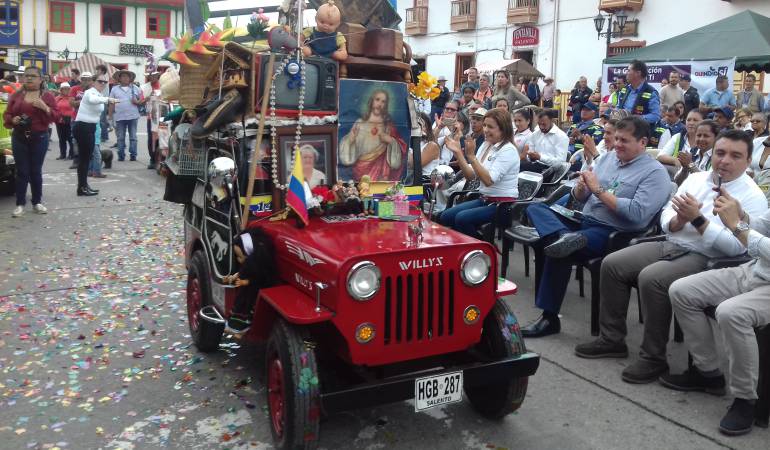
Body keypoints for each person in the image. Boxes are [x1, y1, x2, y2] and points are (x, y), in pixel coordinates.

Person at [575, 130, 767, 385]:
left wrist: (698, 220)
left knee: (652, 278)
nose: (725, 161)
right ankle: (612, 339)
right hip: (672, 241)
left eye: (735, 156)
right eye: (720, 153)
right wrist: (678, 220)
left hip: (707, 256)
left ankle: (653, 356)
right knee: (613, 264)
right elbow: (667, 213)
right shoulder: (697, 179)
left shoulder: (752, 196)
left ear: (747, 160)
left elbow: (735, 248)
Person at [518, 116, 671, 337]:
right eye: (616, 138)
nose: (616, 144)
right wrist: (581, 189)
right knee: (536, 208)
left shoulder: (655, 173)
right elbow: (582, 197)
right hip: (584, 220)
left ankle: (549, 318)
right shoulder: (608, 159)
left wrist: (598, 190)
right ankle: (562, 238)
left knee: (561, 250)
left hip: (613, 233)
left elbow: (638, 214)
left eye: (624, 141)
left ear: (643, 142)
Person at [663, 191, 770, 436]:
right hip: (755, 270)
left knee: (731, 313)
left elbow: (746, 235)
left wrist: (736, 224)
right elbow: (763, 226)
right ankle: (708, 372)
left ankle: (745, 399)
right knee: (682, 290)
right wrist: (741, 214)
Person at [439, 108, 519, 236]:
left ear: (503, 129)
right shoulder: (487, 144)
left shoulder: (508, 150)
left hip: (503, 205)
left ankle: (483, 248)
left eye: (491, 127)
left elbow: (488, 180)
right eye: (485, 125)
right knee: (446, 216)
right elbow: (471, 176)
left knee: (462, 218)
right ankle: (469, 245)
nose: (486, 129)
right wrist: (459, 153)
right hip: (485, 199)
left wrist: (471, 156)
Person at [4, 66, 59, 217]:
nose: (29, 78)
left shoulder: (47, 96)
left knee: (35, 171)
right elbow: (7, 114)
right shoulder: (16, 95)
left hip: (39, 137)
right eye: (26, 75)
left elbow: (55, 116)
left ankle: (37, 202)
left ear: (40, 79)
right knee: (22, 171)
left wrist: (45, 108)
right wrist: (12, 119)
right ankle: (20, 204)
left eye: (33, 76)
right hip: (19, 137)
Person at [339, 88, 407, 181]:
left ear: (386, 105)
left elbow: (402, 148)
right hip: (360, 171)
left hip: (381, 174)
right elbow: (347, 152)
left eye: (383, 101)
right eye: (377, 99)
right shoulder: (359, 123)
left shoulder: (388, 126)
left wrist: (391, 141)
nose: (379, 104)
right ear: (371, 101)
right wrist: (350, 139)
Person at [74, 74, 117, 196]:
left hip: (90, 127)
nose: (103, 84)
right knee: (84, 160)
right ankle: (81, 188)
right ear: (93, 82)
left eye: (105, 82)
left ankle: (83, 186)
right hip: (83, 126)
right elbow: (93, 100)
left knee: (86, 159)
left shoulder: (99, 94)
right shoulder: (90, 92)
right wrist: (108, 99)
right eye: (100, 81)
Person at [657, 109, 705, 178]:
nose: (691, 123)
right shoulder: (678, 137)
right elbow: (660, 156)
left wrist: (689, 164)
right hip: (677, 176)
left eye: (695, 120)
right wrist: (675, 160)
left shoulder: (705, 142)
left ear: (703, 122)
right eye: (688, 120)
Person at [108, 69, 142, 162]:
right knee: (120, 138)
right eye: (123, 76)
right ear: (119, 78)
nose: (125, 78)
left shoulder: (135, 88)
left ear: (130, 78)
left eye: (127, 76)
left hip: (133, 116)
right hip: (119, 117)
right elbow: (111, 103)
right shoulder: (115, 89)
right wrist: (110, 115)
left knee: (133, 137)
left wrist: (137, 102)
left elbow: (141, 101)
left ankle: (133, 155)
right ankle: (121, 155)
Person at [614, 60, 661, 125]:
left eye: (629, 70)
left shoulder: (651, 92)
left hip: (640, 131)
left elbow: (656, 116)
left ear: (638, 73)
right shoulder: (624, 90)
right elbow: (618, 107)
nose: (626, 73)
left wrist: (637, 119)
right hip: (623, 129)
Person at [674, 120, 721, 186]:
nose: (701, 139)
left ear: (716, 138)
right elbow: (677, 183)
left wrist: (690, 165)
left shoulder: (719, 157)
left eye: (706, 136)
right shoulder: (692, 152)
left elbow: (709, 184)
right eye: (699, 135)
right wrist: (685, 169)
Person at [521, 109, 569, 173]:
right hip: (535, 166)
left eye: (544, 124)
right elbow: (530, 155)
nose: (541, 127)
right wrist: (530, 157)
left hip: (551, 170)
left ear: (552, 121)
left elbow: (560, 163)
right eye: (539, 124)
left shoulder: (561, 136)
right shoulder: (535, 134)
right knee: (516, 166)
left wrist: (540, 157)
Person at [413, 111, 444, 181]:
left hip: (426, 183)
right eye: (415, 125)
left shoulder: (432, 145)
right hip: (411, 181)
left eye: (421, 125)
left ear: (427, 128)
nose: (417, 128)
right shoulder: (413, 143)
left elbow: (415, 165)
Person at [141, 71, 162, 169]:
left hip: (163, 115)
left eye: (154, 75)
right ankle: (153, 159)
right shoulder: (145, 87)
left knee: (163, 137)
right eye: (150, 76)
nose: (152, 77)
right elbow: (141, 101)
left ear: (158, 76)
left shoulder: (163, 84)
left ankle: (161, 158)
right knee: (152, 139)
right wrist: (147, 98)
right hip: (151, 116)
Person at [54, 82, 75, 160]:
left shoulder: (72, 98)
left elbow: (74, 108)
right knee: (61, 138)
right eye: (64, 89)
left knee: (70, 138)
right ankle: (62, 154)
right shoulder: (57, 98)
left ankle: (71, 154)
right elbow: (54, 108)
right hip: (59, 120)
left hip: (70, 120)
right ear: (61, 90)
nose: (66, 90)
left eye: (68, 89)